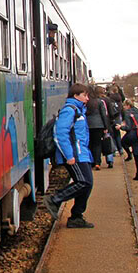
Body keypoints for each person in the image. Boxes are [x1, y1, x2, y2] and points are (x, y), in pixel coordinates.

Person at [44, 83, 95, 228]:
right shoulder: (70, 110)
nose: (87, 98)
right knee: (84, 182)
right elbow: (60, 134)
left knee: (87, 184)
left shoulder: (79, 110)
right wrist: (69, 156)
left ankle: (76, 217)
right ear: (76, 95)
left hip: (81, 153)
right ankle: (55, 199)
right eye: (84, 95)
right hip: (74, 154)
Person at [117, 99, 138, 180]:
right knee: (136, 154)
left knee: (122, 142)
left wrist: (120, 127)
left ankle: (129, 154)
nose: (124, 108)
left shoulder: (127, 113)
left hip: (132, 134)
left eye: (124, 106)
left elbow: (128, 127)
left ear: (128, 106)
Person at [86, 86, 110, 170]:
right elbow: (104, 115)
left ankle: (91, 161)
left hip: (88, 125)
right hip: (99, 125)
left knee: (90, 144)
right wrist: (106, 127)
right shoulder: (99, 102)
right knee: (97, 144)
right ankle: (97, 162)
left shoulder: (86, 102)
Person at [107, 91, 124, 163]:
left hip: (111, 120)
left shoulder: (109, 102)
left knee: (112, 135)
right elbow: (121, 110)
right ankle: (120, 149)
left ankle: (114, 150)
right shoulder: (119, 102)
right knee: (118, 135)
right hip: (118, 120)